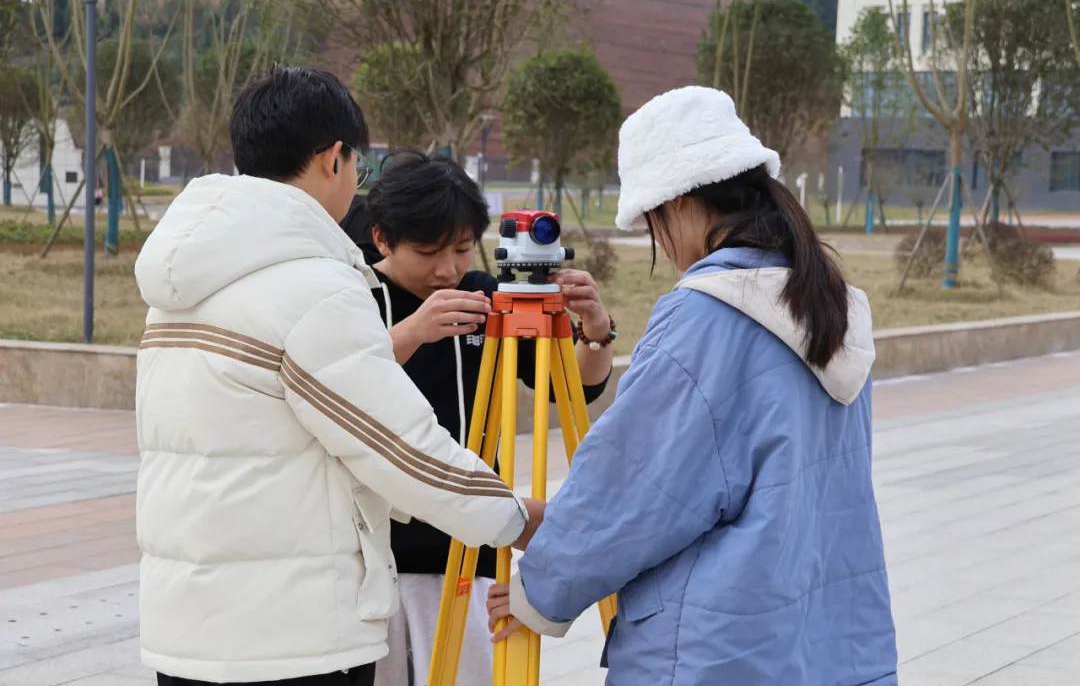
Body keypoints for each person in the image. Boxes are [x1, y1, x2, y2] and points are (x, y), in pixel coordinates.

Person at [132, 65, 544, 686]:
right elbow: (400, 448)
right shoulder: (314, 286)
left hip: (189, 631)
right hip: (292, 637)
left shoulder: (183, 282)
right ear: (334, 159)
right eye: (359, 165)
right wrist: (520, 519)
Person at [486, 86, 898, 684]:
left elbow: (635, 483)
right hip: (830, 641)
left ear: (678, 203)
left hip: (715, 649)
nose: (662, 241)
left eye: (655, 223)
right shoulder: (827, 303)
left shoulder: (706, 317)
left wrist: (541, 583)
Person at [338, 149, 614, 686]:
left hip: (467, 548)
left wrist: (595, 329)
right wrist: (412, 332)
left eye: (462, 249)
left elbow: (575, 385)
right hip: (367, 557)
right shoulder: (351, 296)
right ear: (381, 239)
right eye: (427, 252)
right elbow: (338, 386)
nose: (447, 269)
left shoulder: (484, 297)